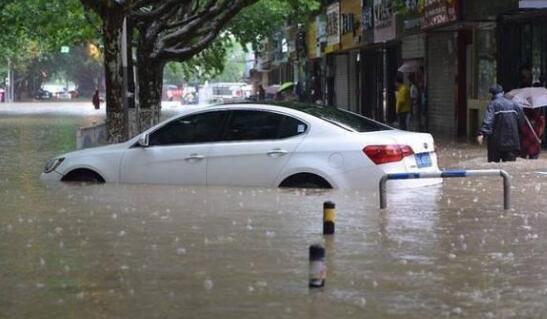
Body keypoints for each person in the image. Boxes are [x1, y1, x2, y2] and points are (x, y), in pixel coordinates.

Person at [477, 84, 524, 162]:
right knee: (510, 169)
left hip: (496, 144)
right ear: (503, 92)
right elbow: (521, 122)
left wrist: (481, 134)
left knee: (493, 169)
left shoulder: (493, 104)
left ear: (491, 95)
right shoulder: (515, 104)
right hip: (512, 143)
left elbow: (488, 121)